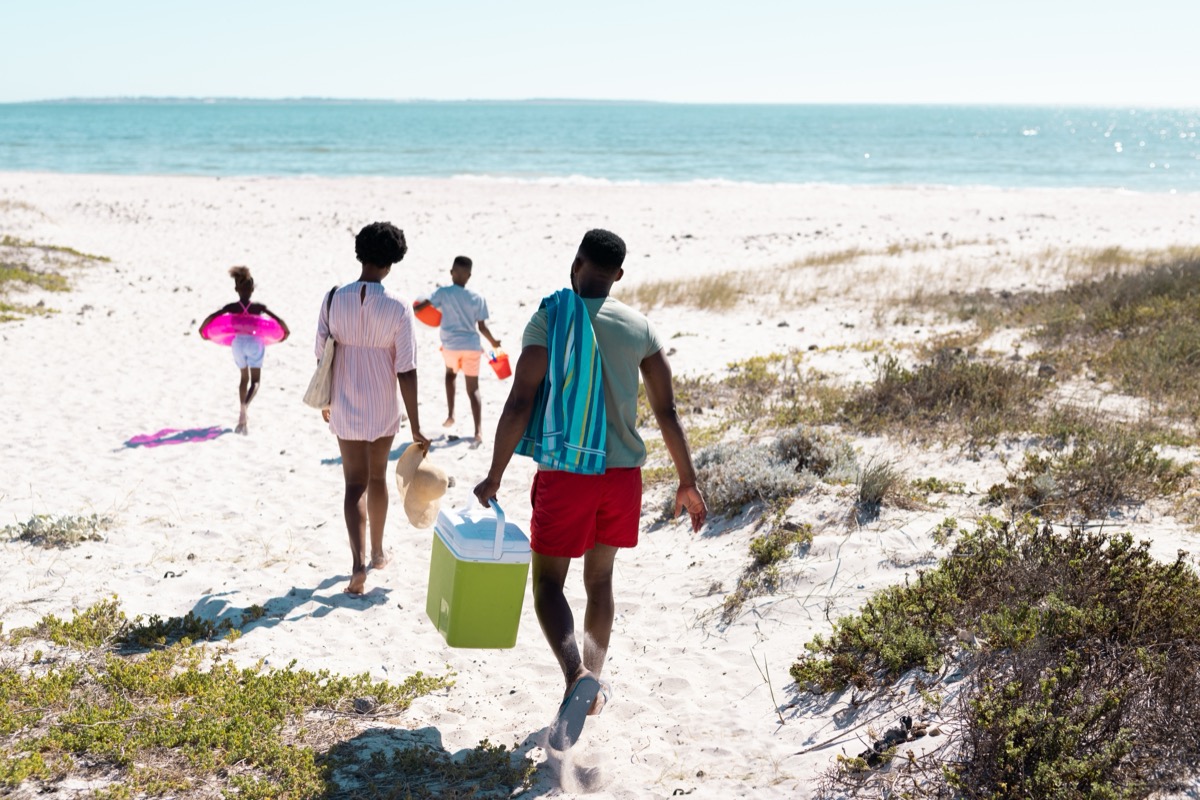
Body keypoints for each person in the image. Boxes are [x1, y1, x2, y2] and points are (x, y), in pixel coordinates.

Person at [473, 229, 707, 743]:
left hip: (567, 473)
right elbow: (666, 410)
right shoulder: (638, 326)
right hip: (622, 478)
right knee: (600, 583)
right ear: (619, 275)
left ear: (576, 263)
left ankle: (575, 674)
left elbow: (520, 401)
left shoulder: (552, 319)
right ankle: (594, 685)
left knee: (548, 585)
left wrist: (495, 473)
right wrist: (687, 480)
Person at [317, 222, 430, 595]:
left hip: (345, 400)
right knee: (378, 478)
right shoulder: (398, 306)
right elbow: (407, 368)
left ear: (359, 252)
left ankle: (356, 566)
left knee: (353, 484)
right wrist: (415, 424)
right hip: (383, 403)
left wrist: (327, 398)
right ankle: (379, 553)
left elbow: (321, 353)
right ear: (393, 261)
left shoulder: (333, 298)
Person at [414, 256, 502, 446]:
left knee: (450, 375)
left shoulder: (443, 292)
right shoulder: (478, 298)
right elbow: (482, 327)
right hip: (471, 347)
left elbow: (421, 308)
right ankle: (478, 430)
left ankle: (451, 414)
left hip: (451, 346)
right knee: (474, 389)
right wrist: (494, 342)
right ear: (469, 276)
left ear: (451, 272)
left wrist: (416, 308)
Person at [199, 266, 290, 435]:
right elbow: (279, 320)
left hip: (238, 343)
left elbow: (213, 316)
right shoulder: (258, 307)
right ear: (252, 289)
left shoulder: (231, 307)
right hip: (255, 342)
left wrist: (203, 331)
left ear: (236, 289)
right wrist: (284, 333)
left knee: (243, 379)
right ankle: (245, 408)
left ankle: (242, 413)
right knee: (255, 381)